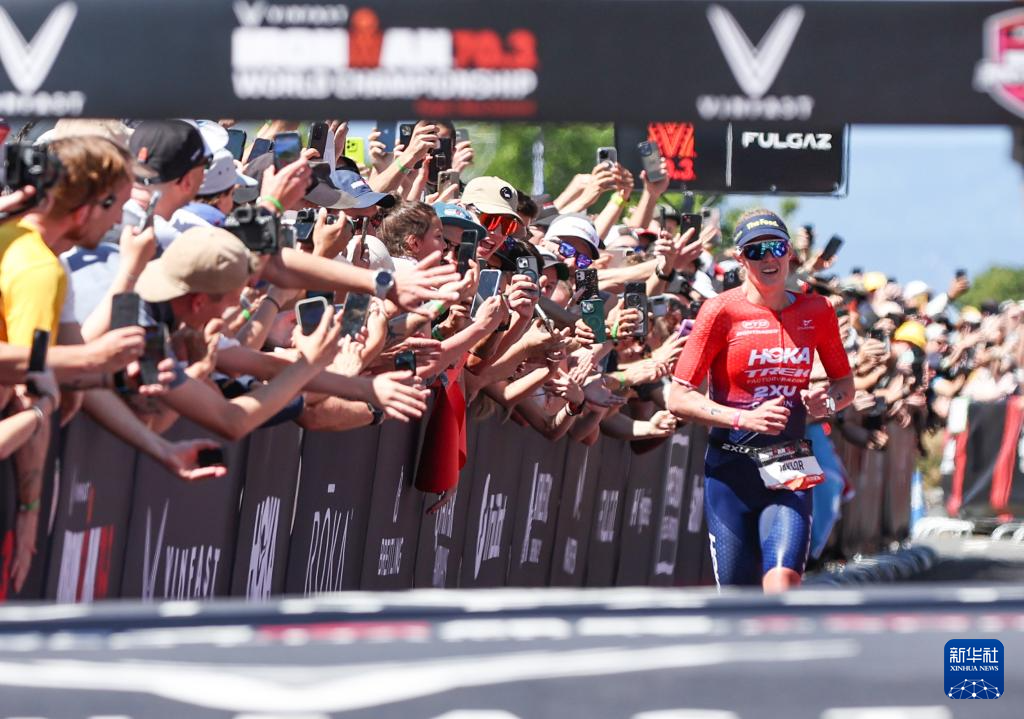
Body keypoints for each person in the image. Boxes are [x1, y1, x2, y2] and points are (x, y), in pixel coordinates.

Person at [667, 209, 854, 593]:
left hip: (790, 460)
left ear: (790, 253)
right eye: (756, 251)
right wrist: (743, 418)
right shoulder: (721, 311)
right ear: (741, 259)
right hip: (731, 466)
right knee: (738, 599)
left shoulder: (817, 311)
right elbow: (678, 397)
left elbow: (844, 385)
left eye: (776, 248)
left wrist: (827, 405)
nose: (768, 258)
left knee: (783, 581)